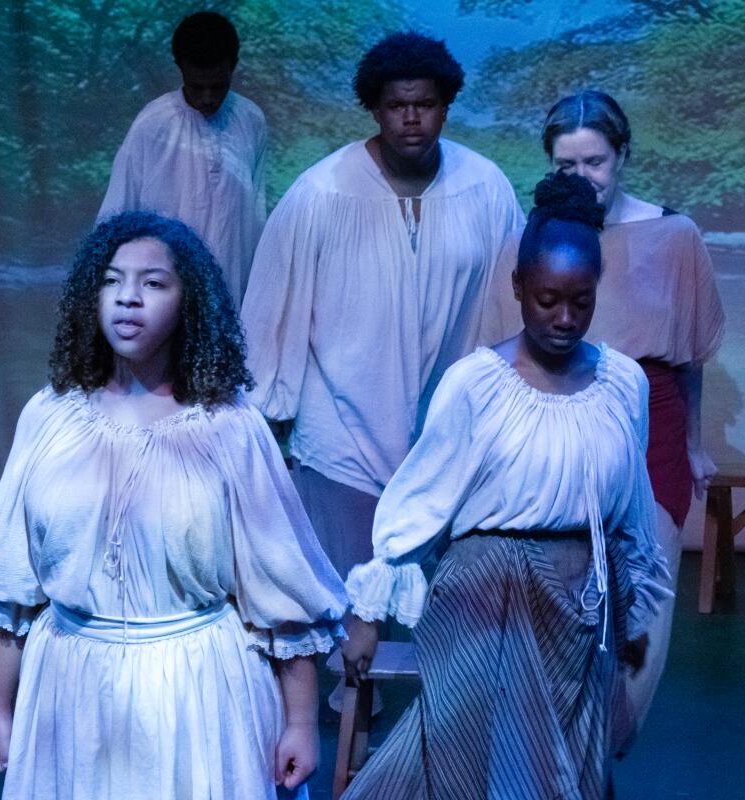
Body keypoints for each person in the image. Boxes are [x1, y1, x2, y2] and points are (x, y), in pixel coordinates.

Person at [0, 211, 347, 800]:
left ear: (187, 300)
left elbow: (280, 587)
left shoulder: (229, 427)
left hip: (194, 686)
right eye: (112, 281)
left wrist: (299, 723)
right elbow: (14, 579)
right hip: (71, 682)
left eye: (153, 284)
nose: (127, 299)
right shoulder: (51, 415)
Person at [340, 172, 670, 799]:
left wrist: (629, 619)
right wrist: (367, 616)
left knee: (564, 763)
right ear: (518, 288)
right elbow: (420, 500)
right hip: (485, 596)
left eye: (581, 301)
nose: (565, 318)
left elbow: (629, 508)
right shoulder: (475, 385)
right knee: (487, 759)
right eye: (548, 300)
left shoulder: (624, 383)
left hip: (581, 602)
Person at [479, 90, 725, 749]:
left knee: (645, 595)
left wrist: (696, 444)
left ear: (623, 158)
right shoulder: (527, 243)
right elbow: (496, 356)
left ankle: (608, 742)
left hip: (652, 424)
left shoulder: (674, 237)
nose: (581, 176)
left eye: (594, 161)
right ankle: (556, 749)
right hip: (553, 421)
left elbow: (690, 351)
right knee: (558, 592)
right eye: (566, 164)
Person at [241, 32, 523, 581]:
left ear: (446, 107)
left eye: (425, 105)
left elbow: (508, 308)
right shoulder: (322, 193)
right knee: (343, 612)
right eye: (397, 106)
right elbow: (271, 311)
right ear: (375, 108)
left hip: (445, 436)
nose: (411, 119)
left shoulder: (485, 187)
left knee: (437, 618)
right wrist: (262, 416)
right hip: (339, 436)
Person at [98, 11, 267, 307]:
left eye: (217, 86)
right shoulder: (153, 124)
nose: (207, 98)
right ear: (180, 69)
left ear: (233, 68)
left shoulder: (250, 120)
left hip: (230, 288)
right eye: (197, 86)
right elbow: (117, 211)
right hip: (162, 294)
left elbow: (255, 215)